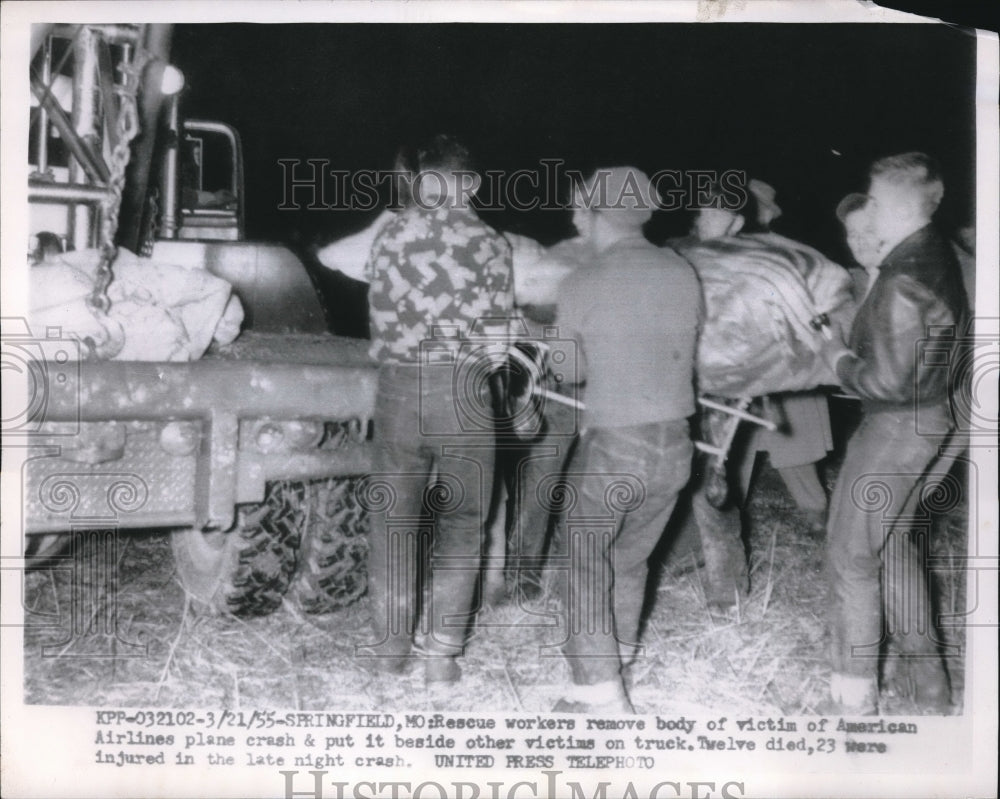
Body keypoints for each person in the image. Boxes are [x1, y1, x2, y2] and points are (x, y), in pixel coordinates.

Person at [356, 134, 513, 685]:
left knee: (393, 524)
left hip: (398, 389)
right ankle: (441, 661)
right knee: (464, 524)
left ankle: (387, 657)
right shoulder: (491, 242)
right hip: (466, 392)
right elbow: (497, 341)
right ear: (469, 183)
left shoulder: (390, 235)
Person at [821, 152, 969, 714]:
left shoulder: (905, 273)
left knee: (850, 556)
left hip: (895, 428)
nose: (871, 211)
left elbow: (881, 379)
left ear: (902, 206)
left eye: (876, 202)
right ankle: (928, 687)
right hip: (924, 422)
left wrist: (834, 357)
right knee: (893, 549)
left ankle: (852, 699)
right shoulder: (929, 256)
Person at [552, 167, 700, 713]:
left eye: (578, 210)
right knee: (629, 560)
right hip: (677, 446)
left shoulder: (582, 281)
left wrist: (552, 338)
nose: (573, 219)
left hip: (616, 445)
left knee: (586, 560)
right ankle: (614, 663)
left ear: (596, 215)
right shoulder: (681, 270)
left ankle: (599, 694)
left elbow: (568, 370)